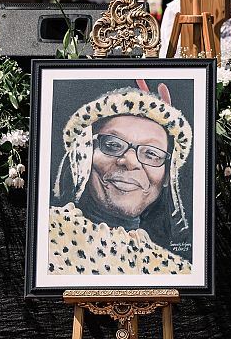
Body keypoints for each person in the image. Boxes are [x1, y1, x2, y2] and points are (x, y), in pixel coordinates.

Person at [49, 81, 194, 275]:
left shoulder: (177, 272)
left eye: (151, 154)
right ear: (82, 154)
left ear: (168, 175)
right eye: (112, 145)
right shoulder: (47, 237)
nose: (130, 161)